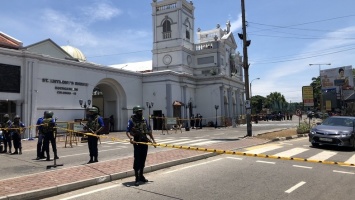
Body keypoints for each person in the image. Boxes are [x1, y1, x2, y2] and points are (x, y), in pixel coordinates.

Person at [126, 105, 156, 186]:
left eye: (141, 111)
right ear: (135, 112)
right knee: (137, 160)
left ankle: (141, 175)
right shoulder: (131, 121)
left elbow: (149, 131)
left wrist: (153, 140)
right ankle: (136, 178)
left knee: (143, 159)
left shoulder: (144, 120)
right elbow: (128, 131)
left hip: (144, 141)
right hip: (137, 142)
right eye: (139, 111)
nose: (141, 112)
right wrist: (131, 139)